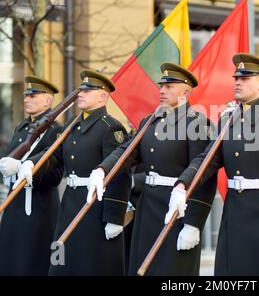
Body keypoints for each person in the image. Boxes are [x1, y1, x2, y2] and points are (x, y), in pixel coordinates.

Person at [165, 53, 259, 275]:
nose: (238, 82)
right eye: (236, 78)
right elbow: (209, 159)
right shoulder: (228, 118)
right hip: (235, 212)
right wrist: (183, 183)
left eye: (245, 78)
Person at [88, 62, 217, 275]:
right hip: (147, 209)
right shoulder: (151, 121)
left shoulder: (197, 123)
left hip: (177, 211)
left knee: (171, 272)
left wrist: (194, 223)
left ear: (185, 92)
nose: (162, 90)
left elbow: (204, 174)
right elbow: (126, 152)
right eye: (161, 86)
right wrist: (102, 170)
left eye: (169, 87)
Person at [14, 70, 131, 275]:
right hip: (70, 203)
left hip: (96, 206)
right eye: (80, 90)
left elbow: (120, 173)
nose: (80, 94)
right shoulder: (71, 125)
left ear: (102, 96)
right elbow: (53, 156)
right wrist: (30, 164)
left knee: (90, 263)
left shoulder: (110, 127)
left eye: (87, 90)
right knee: (63, 263)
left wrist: (115, 215)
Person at [0, 76, 63, 276]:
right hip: (14, 203)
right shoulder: (23, 126)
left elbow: (56, 174)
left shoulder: (55, 130)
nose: (26, 99)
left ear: (48, 100)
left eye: (33, 95)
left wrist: (26, 169)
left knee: (32, 263)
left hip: (37, 207)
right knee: (11, 260)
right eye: (26, 95)